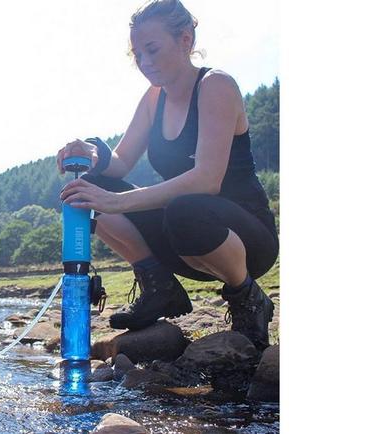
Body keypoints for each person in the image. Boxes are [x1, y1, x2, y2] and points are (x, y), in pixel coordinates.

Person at [56, 0, 278, 351]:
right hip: (182, 237)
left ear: (185, 40)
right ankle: (159, 287)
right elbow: (121, 162)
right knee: (85, 190)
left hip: (245, 238)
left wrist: (117, 201)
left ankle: (247, 297)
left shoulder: (215, 86)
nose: (144, 62)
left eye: (152, 49)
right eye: (137, 54)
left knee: (184, 209)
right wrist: (93, 153)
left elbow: (207, 180)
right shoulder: (152, 98)